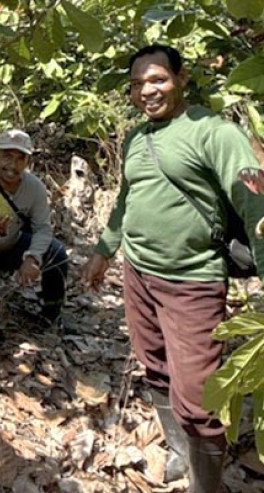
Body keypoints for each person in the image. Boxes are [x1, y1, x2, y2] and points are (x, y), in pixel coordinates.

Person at [81, 44, 264, 492]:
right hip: (139, 272)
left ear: (182, 79)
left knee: (200, 397)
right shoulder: (136, 138)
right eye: (137, 84)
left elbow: (254, 203)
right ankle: (181, 454)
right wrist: (105, 250)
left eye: (158, 79)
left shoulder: (214, 132)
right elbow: (127, 199)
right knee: (155, 366)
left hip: (193, 280)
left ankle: (206, 484)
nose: (147, 91)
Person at [0, 129, 68, 327]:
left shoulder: (35, 187)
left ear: (28, 161)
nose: (12, 165)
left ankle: (51, 313)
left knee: (57, 252)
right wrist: (0, 231)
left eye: (20, 159)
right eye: (7, 156)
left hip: (14, 244)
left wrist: (33, 257)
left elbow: (43, 227)